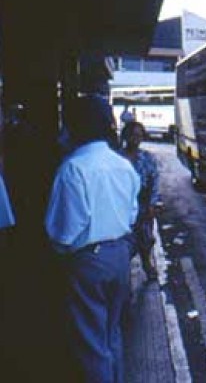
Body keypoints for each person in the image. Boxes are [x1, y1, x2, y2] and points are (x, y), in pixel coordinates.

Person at [44, 96, 140, 383]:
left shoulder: (73, 167)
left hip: (88, 262)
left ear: (76, 126)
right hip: (121, 255)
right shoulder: (123, 165)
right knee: (112, 336)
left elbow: (65, 231)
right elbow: (132, 213)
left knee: (91, 344)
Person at [120, 121, 161, 281]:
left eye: (139, 135)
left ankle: (147, 264)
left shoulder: (147, 158)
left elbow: (154, 181)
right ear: (125, 136)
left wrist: (152, 203)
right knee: (125, 241)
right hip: (123, 205)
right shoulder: (118, 157)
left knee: (145, 239)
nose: (135, 139)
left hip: (143, 204)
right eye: (132, 135)